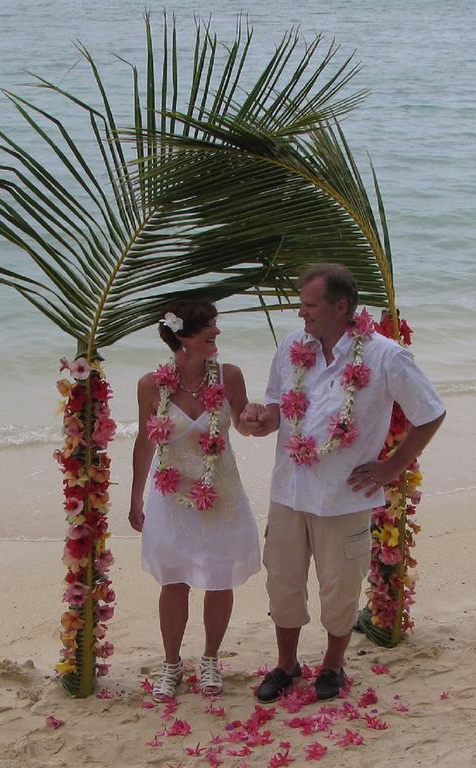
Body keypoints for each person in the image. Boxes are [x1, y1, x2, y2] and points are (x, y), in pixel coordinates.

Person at [242, 263, 445, 702]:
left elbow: (430, 412)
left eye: (310, 305)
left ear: (340, 306)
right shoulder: (293, 346)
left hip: (344, 496)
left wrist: (393, 467)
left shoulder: (385, 355)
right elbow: (278, 406)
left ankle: (333, 666)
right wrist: (262, 420)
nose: (301, 314)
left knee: (340, 589)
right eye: (301, 305)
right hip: (289, 492)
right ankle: (286, 664)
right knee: (283, 582)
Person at [129, 298, 261, 702]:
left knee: (219, 581)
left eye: (217, 326)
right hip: (172, 497)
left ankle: (209, 659)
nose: (217, 333)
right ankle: (171, 665)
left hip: (221, 494)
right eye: (209, 328)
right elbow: (144, 442)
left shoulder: (231, 375)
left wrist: (256, 419)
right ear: (182, 338)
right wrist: (135, 499)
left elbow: (243, 425)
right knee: (175, 582)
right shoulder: (151, 386)